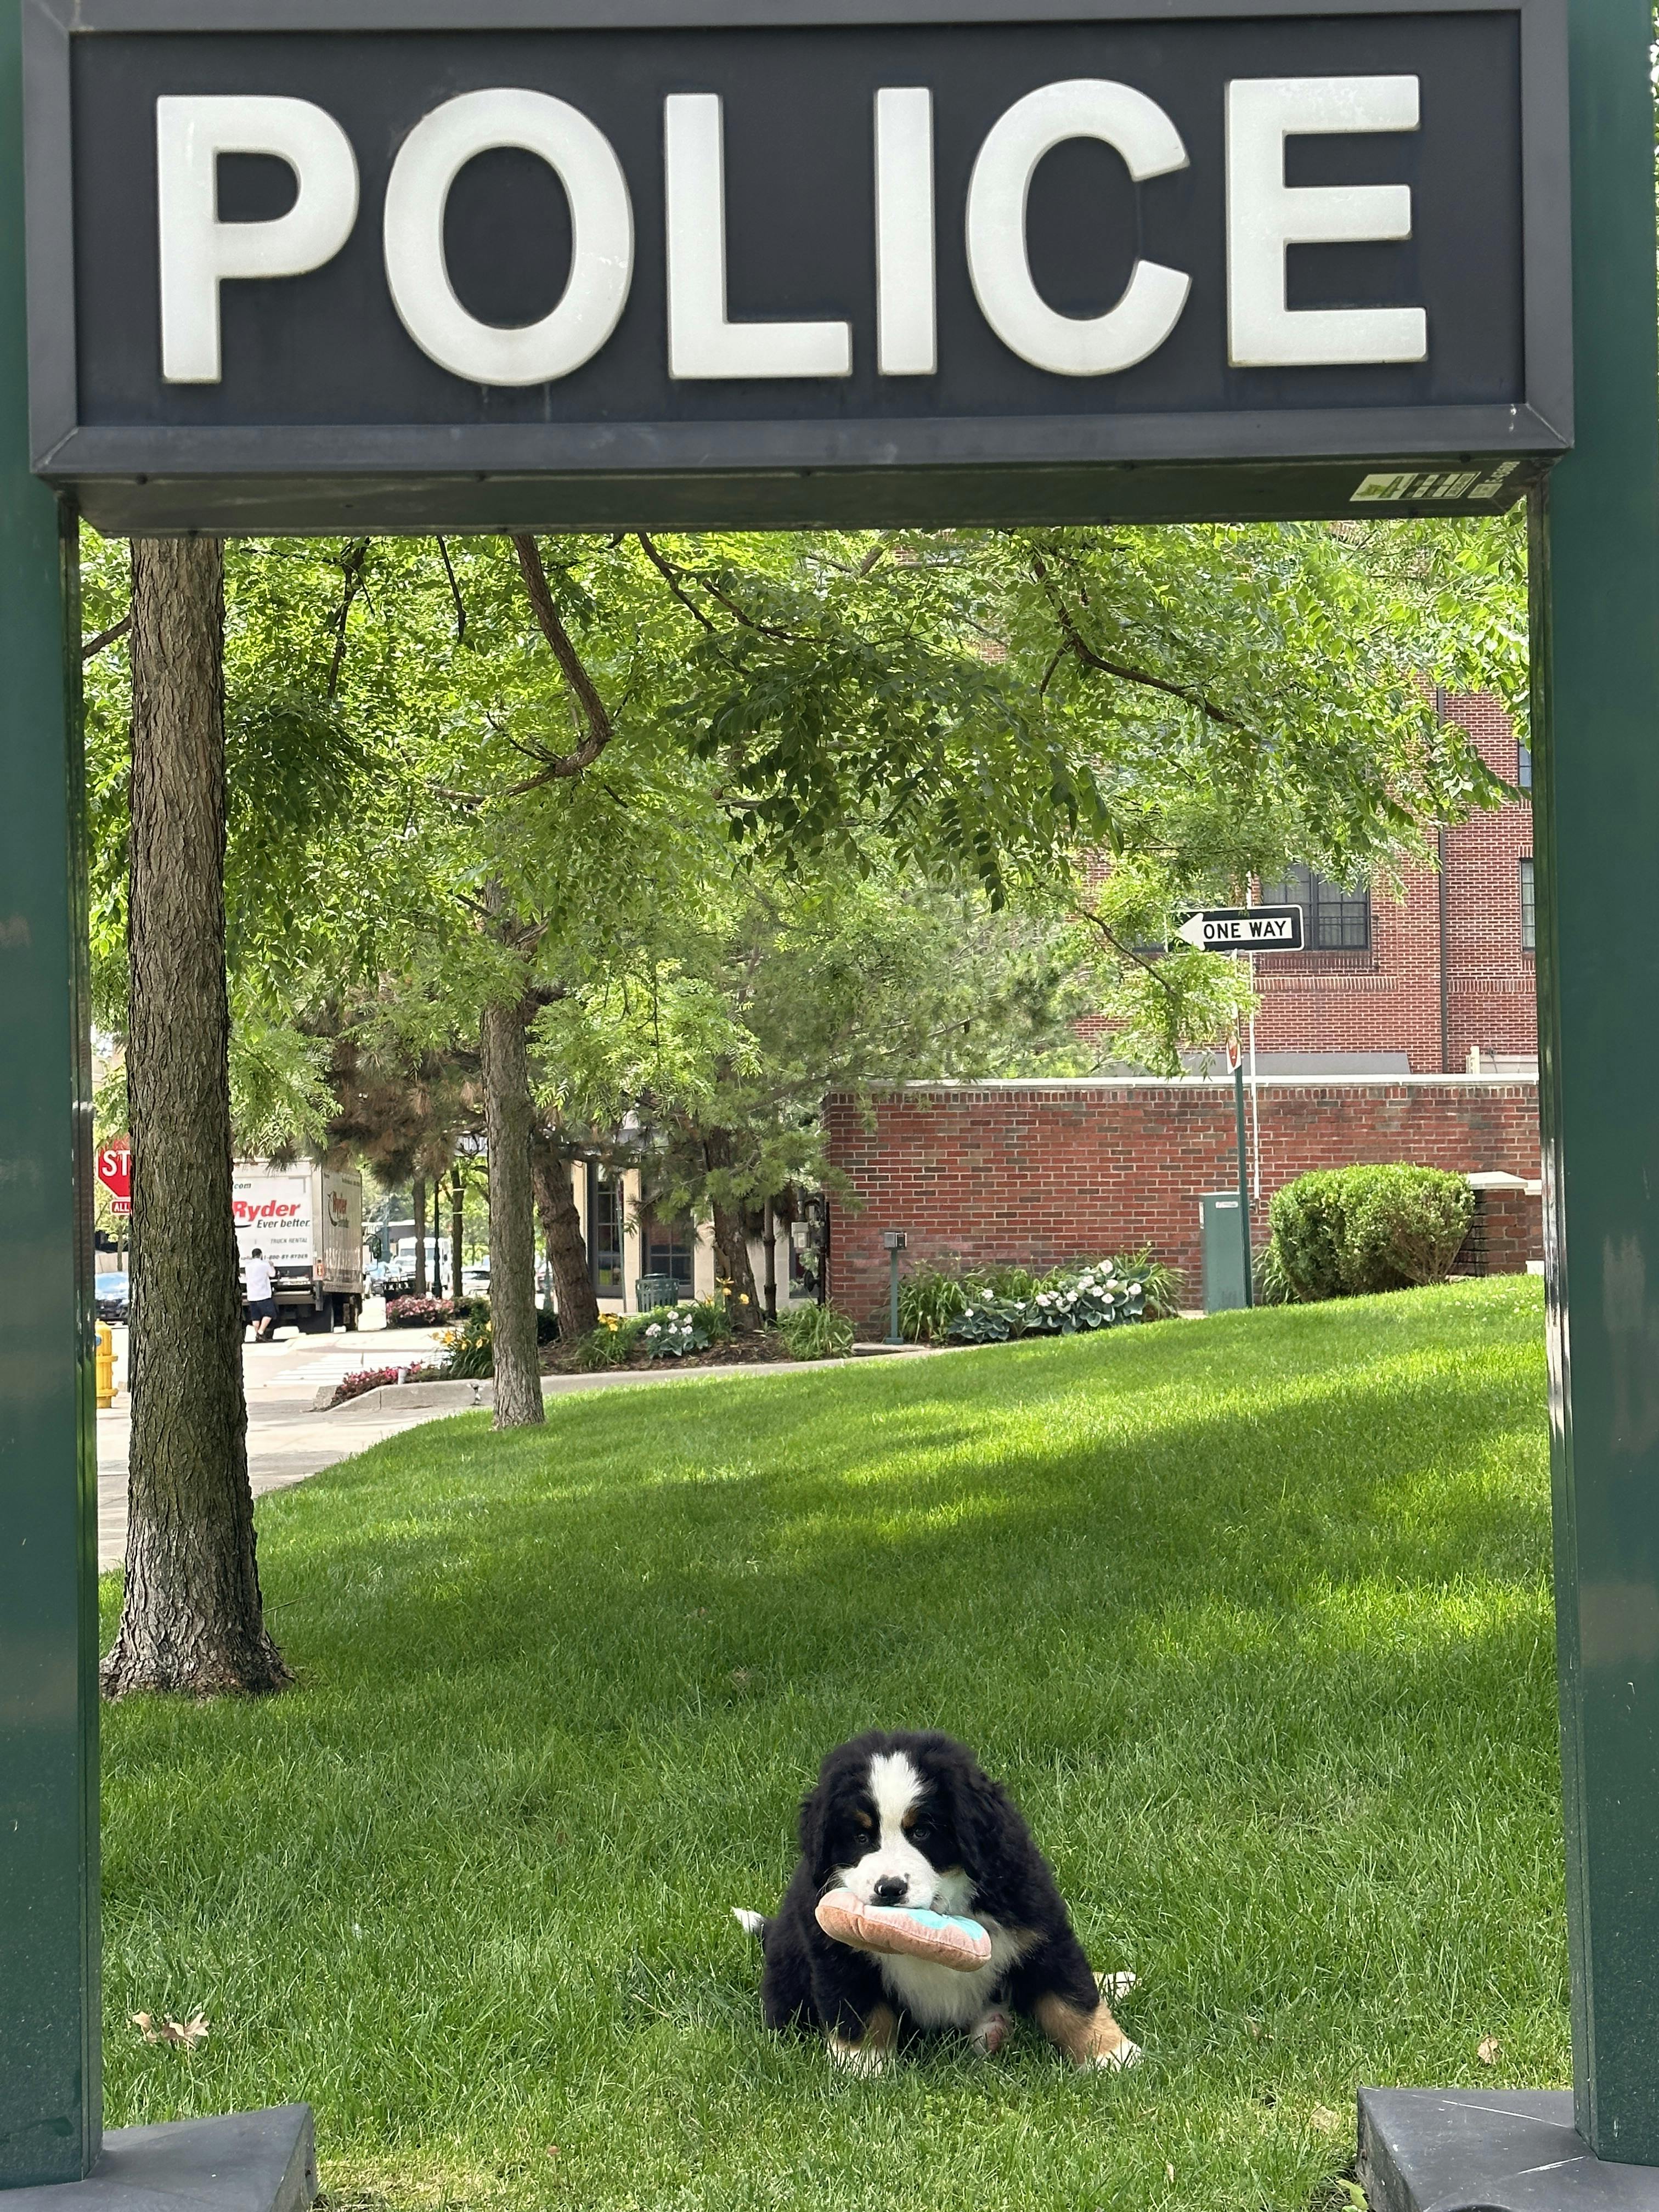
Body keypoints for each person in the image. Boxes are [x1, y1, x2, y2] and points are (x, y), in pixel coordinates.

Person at [245, 1246, 276, 1342]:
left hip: (252, 1295)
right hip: (263, 1294)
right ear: (261, 1255)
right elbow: (272, 1274)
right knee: (270, 1313)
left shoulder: (248, 1266)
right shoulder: (265, 1264)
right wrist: (271, 1266)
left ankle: (257, 1335)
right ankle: (261, 1332)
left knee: (255, 1316)